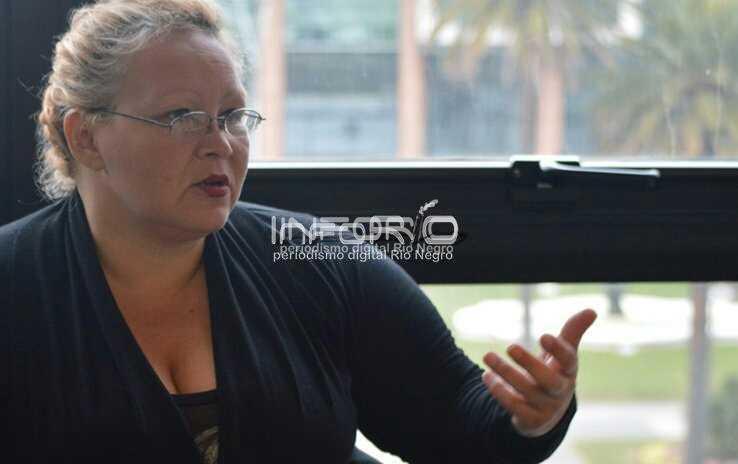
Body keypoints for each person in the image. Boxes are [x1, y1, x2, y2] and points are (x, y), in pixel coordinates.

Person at [0, 0, 597, 463]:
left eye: (233, 116)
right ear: (86, 137)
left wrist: (533, 415)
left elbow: (458, 421)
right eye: (181, 116)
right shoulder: (15, 285)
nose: (220, 143)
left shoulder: (317, 258)